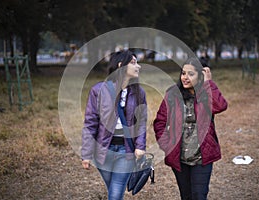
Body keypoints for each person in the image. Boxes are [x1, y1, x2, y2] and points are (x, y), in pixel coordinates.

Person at [153, 57, 228, 200]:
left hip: (201, 157)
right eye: (183, 73)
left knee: (199, 196)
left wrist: (208, 83)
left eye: (191, 74)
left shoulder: (206, 94)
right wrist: (168, 145)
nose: (185, 78)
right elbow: (160, 122)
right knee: (186, 196)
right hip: (179, 158)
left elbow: (220, 106)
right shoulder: (173, 94)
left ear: (201, 75)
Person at [81, 50, 147, 200]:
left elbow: (141, 122)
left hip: (126, 149)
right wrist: (86, 154)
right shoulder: (98, 91)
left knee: (116, 193)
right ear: (120, 65)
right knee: (113, 189)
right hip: (102, 150)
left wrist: (140, 146)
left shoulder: (138, 92)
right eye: (133, 62)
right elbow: (90, 123)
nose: (138, 66)